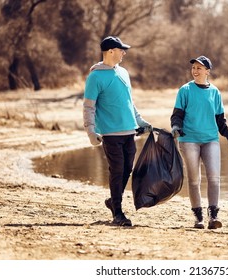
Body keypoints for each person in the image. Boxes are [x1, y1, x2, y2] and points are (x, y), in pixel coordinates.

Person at [83, 36, 152, 227]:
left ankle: (113, 201)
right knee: (117, 170)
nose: (124, 53)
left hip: (129, 132)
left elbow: (130, 103)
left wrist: (141, 121)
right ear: (111, 51)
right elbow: (89, 107)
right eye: (121, 50)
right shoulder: (95, 77)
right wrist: (91, 131)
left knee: (127, 169)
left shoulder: (124, 73)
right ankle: (118, 212)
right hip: (110, 133)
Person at [170, 55, 228, 229]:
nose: (195, 71)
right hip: (189, 140)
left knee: (214, 178)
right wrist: (176, 128)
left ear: (208, 71)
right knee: (194, 180)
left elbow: (220, 119)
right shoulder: (185, 90)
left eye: (199, 68)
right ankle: (198, 217)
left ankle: (213, 217)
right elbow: (177, 115)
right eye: (193, 68)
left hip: (210, 140)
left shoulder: (215, 92)